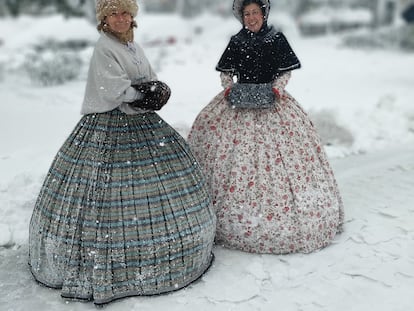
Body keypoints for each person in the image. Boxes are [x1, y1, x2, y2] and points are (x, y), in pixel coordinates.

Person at [28, 0, 216, 305]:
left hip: (141, 122)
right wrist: (143, 94)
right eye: (114, 13)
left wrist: (157, 88)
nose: (121, 17)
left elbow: (146, 76)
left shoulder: (133, 46)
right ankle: (114, 266)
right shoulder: (104, 48)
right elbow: (112, 90)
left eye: (125, 12)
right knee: (105, 195)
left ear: (132, 16)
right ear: (104, 19)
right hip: (108, 123)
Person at [188, 0, 344, 254]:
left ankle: (284, 219)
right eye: (246, 13)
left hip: (273, 103)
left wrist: (276, 89)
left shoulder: (276, 38)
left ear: (264, 14)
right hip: (238, 104)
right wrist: (229, 88)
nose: (251, 18)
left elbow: (285, 73)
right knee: (228, 153)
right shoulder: (237, 41)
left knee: (285, 159)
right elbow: (225, 73)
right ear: (241, 17)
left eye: (255, 13)